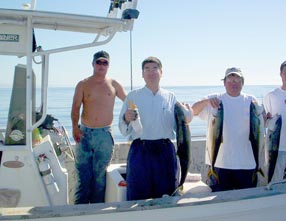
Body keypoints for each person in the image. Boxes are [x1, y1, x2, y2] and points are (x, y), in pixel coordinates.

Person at [118, 56, 192, 201]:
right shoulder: (133, 96)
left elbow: (181, 126)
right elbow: (122, 129)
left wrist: (188, 116)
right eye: (147, 69)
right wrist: (126, 119)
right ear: (142, 74)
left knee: (167, 196)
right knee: (137, 197)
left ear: (161, 72)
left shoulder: (171, 97)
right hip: (140, 151)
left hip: (165, 151)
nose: (151, 72)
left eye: (155, 68)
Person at [71, 50, 127, 204]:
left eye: (105, 62)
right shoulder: (82, 84)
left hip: (104, 135)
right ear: (93, 64)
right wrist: (75, 128)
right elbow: (75, 108)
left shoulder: (114, 84)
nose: (101, 65)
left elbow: (129, 102)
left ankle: (96, 211)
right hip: (84, 133)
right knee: (84, 176)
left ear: (109, 65)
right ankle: (79, 211)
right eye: (99, 62)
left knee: (100, 177)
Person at [192, 67, 259, 191]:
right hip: (220, 164)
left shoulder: (251, 101)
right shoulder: (215, 99)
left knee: (246, 201)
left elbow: (262, 124)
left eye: (237, 80)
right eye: (230, 79)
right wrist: (206, 102)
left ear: (242, 83)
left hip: (247, 163)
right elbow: (193, 111)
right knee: (220, 201)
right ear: (224, 83)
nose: (233, 83)